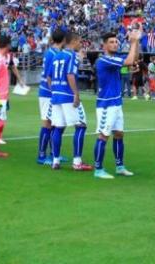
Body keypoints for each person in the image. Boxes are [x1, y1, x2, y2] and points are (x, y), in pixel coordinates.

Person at [91, 29, 141, 179]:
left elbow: (133, 59)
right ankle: (98, 169)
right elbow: (129, 61)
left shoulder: (113, 59)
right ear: (104, 45)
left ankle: (120, 166)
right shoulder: (104, 59)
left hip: (116, 102)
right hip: (106, 104)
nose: (115, 44)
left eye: (116, 42)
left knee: (119, 134)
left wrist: (136, 42)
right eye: (111, 42)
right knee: (103, 135)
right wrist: (132, 42)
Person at [49, 32, 93, 171]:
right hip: (67, 95)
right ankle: (77, 162)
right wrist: (76, 94)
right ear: (73, 41)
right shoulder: (71, 55)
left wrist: (54, 90)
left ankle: (55, 160)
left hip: (56, 95)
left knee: (58, 127)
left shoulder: (57, 56)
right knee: (81, 125)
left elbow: (49, 76)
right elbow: (70, 74)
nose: (80, 44)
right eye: (79, 41)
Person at [36, 30, 64, 164]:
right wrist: (54, 92)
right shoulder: (53, 54)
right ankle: (41, 155)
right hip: (47, 93)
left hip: (49, 92)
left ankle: (54, 153)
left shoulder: (52, 52)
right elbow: (48, 77)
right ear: (63, 40)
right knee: (47, 123)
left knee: (54, 122)